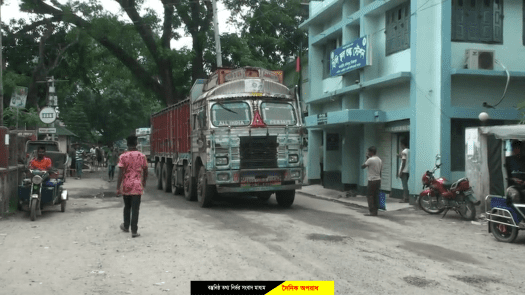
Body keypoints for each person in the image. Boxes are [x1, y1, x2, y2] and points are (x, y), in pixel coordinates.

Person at [117, 135, 148, 238]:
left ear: (127, 144)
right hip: (137, 185)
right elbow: (146, 170)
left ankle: (126, 226)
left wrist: (118, 187)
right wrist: (144, 182)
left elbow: (120, 173)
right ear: (136, 143)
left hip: (126, 185)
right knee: (135, 208)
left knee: (127, 206)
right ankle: (134, 231)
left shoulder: (123, 156)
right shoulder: (142, 156)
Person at [361, 146, 382, 216]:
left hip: (372, 180)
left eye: (368, 151)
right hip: (378, 179)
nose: (368, 153)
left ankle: (372, 211)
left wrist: (366, 159)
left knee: (370, 195)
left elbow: (363, 167)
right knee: (376, 195)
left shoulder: (370, 160)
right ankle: (375, 211)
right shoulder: (379, 160)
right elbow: (380, 170)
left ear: (371, 152)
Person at [397, 138, 410, 203]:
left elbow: (404, 161)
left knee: (404, 185)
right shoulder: (409, 151)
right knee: (406, 185)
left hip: (404, 170)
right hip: (408, 170)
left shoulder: (404, 151)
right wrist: (400, 155)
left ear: (402, 144)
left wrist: (401, 171)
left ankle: (405, 198)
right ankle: (406, 198)